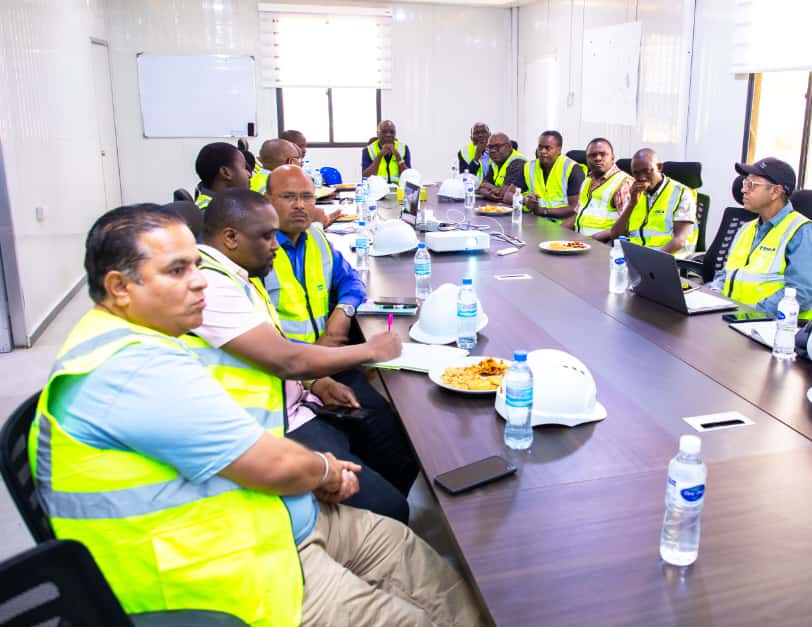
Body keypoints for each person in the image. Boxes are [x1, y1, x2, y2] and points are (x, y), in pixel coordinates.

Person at [28, 204, 483, 626]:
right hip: (236, 579)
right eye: (178, 270)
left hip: (272, 519)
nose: (200, 281)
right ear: (119, 288)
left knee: (412, 554)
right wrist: (323, 470)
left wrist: (310, 468)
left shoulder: (147, 338)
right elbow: (273, 465)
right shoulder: (130, 369)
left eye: (196, 265)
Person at [191, 189, 410, 522]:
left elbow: (272, 346)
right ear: (231, 238)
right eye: (266, 236)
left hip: (298, 398)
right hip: (273, 426)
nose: (275, 246)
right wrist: (370, 349)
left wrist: (316, 382)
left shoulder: (239, 275)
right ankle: (343, 529)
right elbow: (286, 359)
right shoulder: (210, 286)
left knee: (395, 448)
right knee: (390, 507)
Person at [262, 165, 420, 497]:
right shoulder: (258, 252)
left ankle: (391, 506)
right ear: (267, 200)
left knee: (396, 444)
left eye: (306, 197)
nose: (300, 205)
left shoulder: (317, 238)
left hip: (331, 361)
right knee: (371, 449)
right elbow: (262, 343)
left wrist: (343, 312)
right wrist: (314, 377)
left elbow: (350, 280)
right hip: (287, 378)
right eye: (288, 197)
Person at [710, 157, 812, 319]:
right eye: (745, 183)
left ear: (775, 192)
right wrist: (710, 297)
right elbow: (726, 275)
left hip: (773, 326)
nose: (743, 190)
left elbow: (801, 294)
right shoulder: (746, 228)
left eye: (752, 184)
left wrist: (749, 315)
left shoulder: (803, 232)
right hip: (732, 318)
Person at [606, 149, 695, 256]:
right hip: (637, 256)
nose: (641, 177)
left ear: (659, 167)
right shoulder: (635, 193)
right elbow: (615, 235)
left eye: (647, 171)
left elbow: (680, 240)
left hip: (669, 258)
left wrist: (651, 259)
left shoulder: (681, 193)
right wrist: (632, 204)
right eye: (636, 173)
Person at [573, 138, 632, 240]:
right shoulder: (587, 180)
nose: (598, 158)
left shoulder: (623, 183)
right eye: (592, 155)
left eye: (603, 154)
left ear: (612, 157)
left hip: (605, 243)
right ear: (586, 159)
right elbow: (578, 214)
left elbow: (628, 226)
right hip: (581, 241)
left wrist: (594, 239)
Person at [517, 130, 584, 218]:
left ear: (559, 150)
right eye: (540, 147)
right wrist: (525, 200)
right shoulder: (529, 167)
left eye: (547, 148)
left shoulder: (572, 169)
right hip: (535, 220)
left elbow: (575, 208)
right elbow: (509, 195)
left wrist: (543, 211)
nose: (542, 151)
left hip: (561, 223)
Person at [194, 142, 250, 209]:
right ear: (225, 172)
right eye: (244, 167)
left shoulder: (221, 204)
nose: (249, 174)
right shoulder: (212, 212)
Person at [477, 132, 526, 204]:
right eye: (490, 147)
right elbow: (481, 186)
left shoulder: (518, 162)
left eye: (498, 146)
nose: (493, 150)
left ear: (509, 146)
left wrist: (489, 189)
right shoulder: (495, 162)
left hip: (518, 208)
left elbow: (503, 194)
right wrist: (488, 193)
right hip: (500, 206)